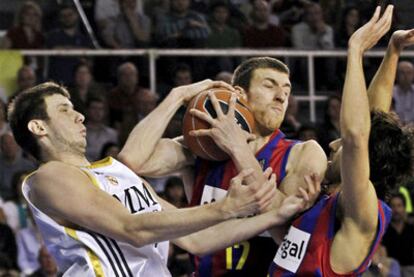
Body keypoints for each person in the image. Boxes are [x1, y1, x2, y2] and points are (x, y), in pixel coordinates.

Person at [7, 80, 312, 276]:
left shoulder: (113, 173)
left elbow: (196, 239)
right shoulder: (49, 177)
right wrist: (226, 208)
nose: (80, 116)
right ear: (39, 128)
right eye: (64, 110)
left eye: (74, 108)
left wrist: (274, 216)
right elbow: (133, 229)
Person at [124, 57, 326, 276]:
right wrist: (177, 95)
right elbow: (131, 161)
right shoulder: (203, 147)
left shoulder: (303, 153)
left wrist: (238, 148)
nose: (280, 97)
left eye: (286, 92)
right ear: (239, 93)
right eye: (269, 86)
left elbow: (288, 230)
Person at [269, 6, 414, 275]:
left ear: (361, 161)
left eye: (342, 147)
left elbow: (357, 136)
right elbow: (370, 120)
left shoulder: (364, 207)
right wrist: (393, 52)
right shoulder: (330, 198)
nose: (334, 145)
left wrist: (356, 50)